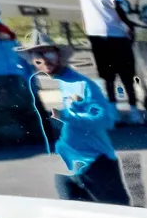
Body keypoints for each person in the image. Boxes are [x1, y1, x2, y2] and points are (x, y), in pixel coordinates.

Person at [50, 70, 128, 205]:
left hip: (94, 161)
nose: (42, 60)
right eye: (36, 56)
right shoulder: (35, 85)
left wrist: (65, 116)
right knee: (80, 217)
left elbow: (104, 119)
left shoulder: (82, 84)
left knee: (116, 213)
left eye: (48, 54)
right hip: (68, 166)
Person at [74, 0, 134, 109]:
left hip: (94, 33)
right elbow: (118, 6)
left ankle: (113, 112)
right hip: (114, 33)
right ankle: (134, 113)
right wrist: (129, 25)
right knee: (126, 74)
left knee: (107, 75)